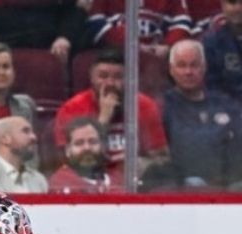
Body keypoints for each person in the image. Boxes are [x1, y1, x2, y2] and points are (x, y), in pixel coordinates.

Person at [54, 50, 169, 173]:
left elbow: (162, 158)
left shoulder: (144, 105)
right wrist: (103, 120)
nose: (110, 83)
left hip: (133, 181)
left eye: (118, 77)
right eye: (103, 76)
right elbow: (67, 162)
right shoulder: (72, 108)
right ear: (92, 78)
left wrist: (139, 163)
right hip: (91, 180)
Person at [164, 38, 242, 187]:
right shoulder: (164, 106)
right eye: (181, 65)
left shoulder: (226, 104)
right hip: (184, 189)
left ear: (204, 67)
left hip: (229, 185)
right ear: (171, 70)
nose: (188, 72)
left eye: (194, 65)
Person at [49, 116, 123, 193]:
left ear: (103, 146)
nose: (87, 148)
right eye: (79, 143)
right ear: (68, 150)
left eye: (92, 141)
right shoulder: (59, 183)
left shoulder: (119, 179)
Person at [204, 0, 242, 100]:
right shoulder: (211, 43)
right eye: (232, 2)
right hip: (228, 110)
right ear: (223, 5)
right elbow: (212, 88)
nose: (238, 9)